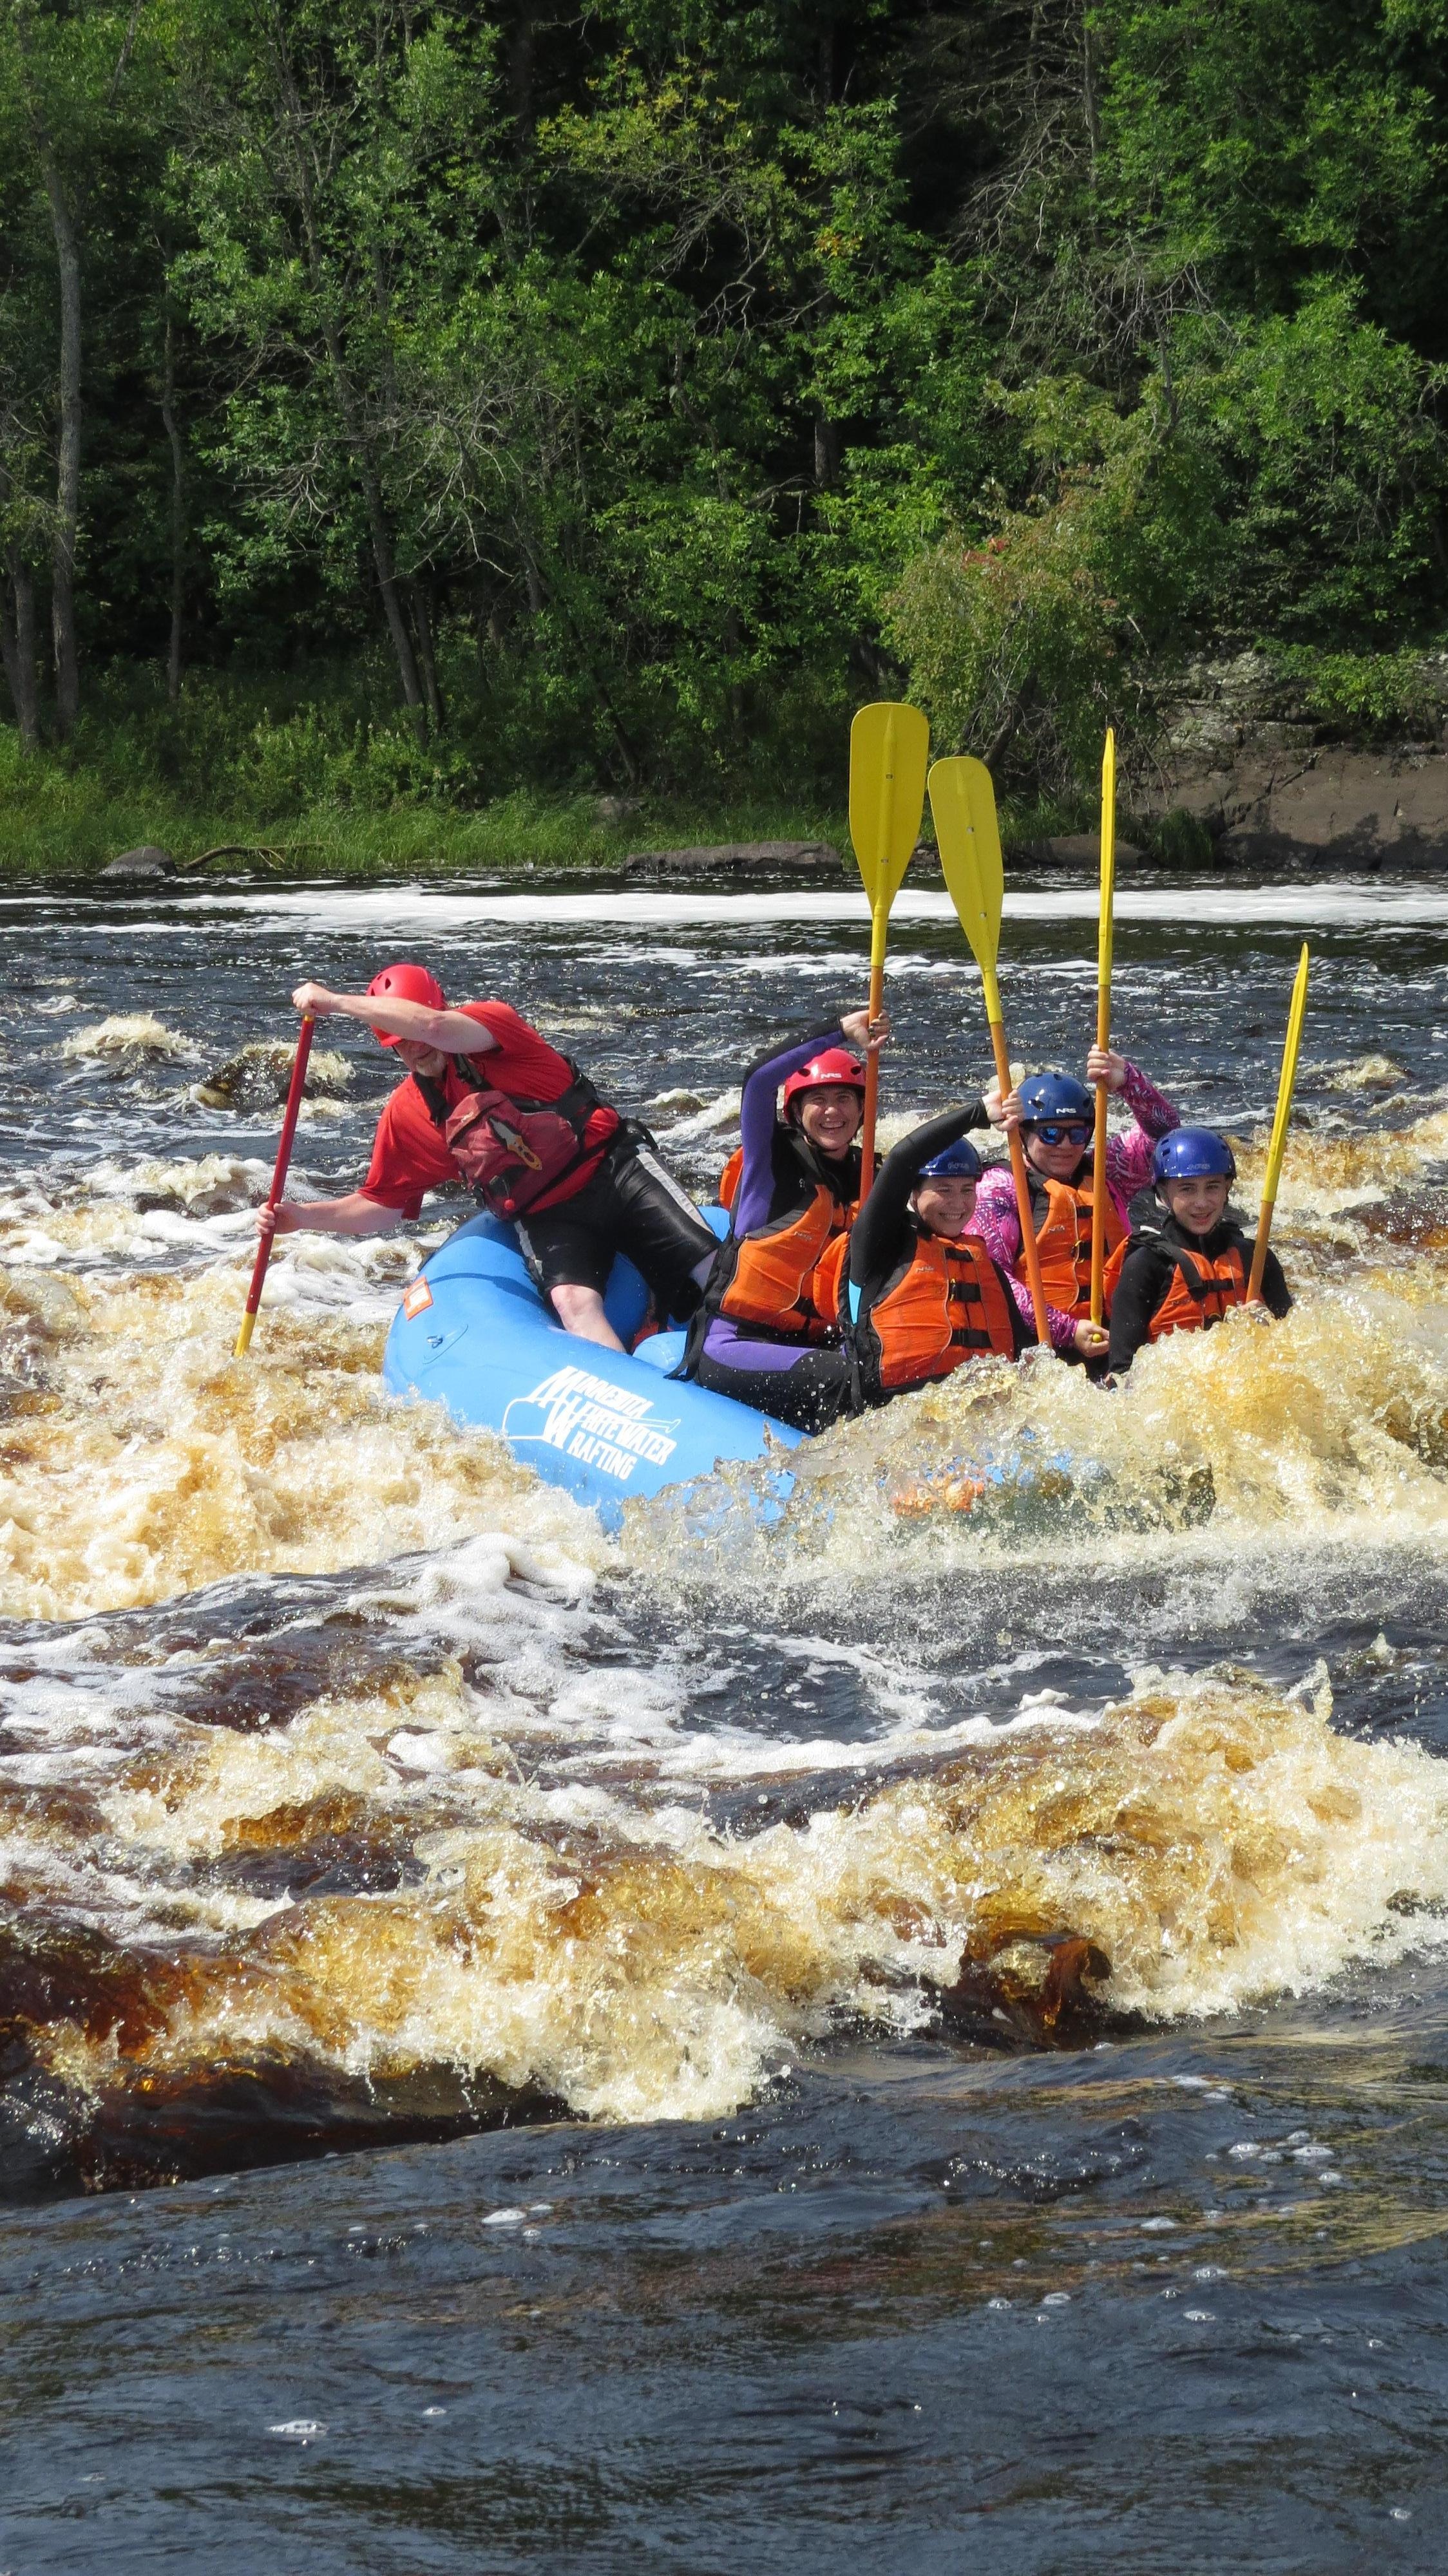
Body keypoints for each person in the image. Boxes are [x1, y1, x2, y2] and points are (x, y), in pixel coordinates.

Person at [254, 962, 718, 1354]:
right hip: (550, 1214)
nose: (414, 1048)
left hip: (615, 1167)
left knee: (711, 1267)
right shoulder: (407, 1114)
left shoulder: (493, 1027)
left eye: (411, 1031)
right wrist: (301, 1217)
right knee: (576, 1304)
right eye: (398, 1044)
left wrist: (334, 1002)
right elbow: (383, 1205)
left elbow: (433, 1028)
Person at [683, 1007, 888, 1431]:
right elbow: (758, 1082)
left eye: (845, 1098)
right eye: (819, 1100)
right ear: (796, 1111)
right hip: (735, 1341)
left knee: (891, 1371)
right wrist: (838, 1031)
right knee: (853, 1380)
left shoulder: (872, 1177)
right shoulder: (771, 1161)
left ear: (862, 1109)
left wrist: (987, 1115)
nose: (833, 1111)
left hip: (816, 1343)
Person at [975, 1051, 1181, 1363]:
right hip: (1042, 1349)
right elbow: (995, 1280)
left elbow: (1166, 1136)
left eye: (1078, 1133)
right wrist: (1068, 1330)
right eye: (1051, 1133)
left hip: (1116, 1338)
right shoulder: (1001, 1188)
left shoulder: (1108, 1172)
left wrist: (1128, 1080)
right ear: (1023, 1132)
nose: (1066, 1145)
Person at [839, 1114, 1034, 1405]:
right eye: (943, 1190)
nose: (957, 1203)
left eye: (967, 1190)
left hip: (977, 1417)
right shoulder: (880, 1247)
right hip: (894, 1414)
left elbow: (1027, 1356)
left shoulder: (983, 1264)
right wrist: (979, 1112)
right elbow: (901, 1160)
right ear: (914, 1193)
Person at [1107, 1127, 1292, 1374]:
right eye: (1187, 1189)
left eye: (1213, 1187)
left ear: (1227, 1187)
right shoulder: (1146, 1266)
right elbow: (1120, 1372)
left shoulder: (1257, 1259)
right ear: (1163, 1192)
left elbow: (1295, 1351)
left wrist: (1273, 1330)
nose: (1202, 1202)